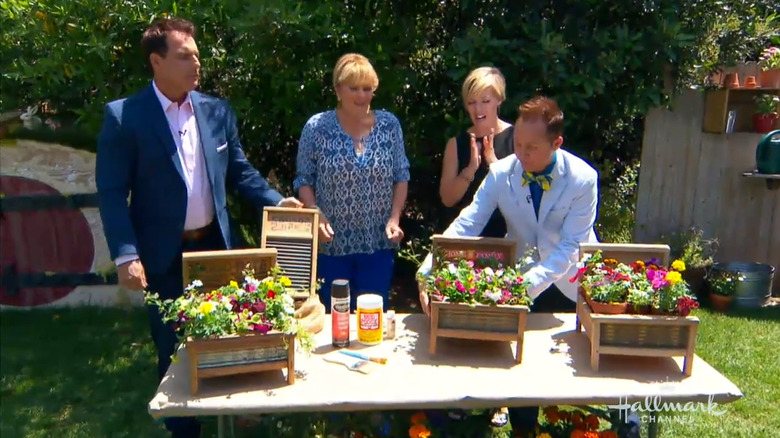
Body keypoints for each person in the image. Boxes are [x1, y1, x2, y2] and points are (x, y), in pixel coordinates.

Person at [95, 17, 302, 438]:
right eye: (185, 55)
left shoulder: (215, 110)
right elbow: (113, 193)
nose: (196, 63)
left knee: (232, 333)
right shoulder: (125, 118)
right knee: (172, 346)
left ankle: (232, 410)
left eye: (197, 55)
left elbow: (240, 172)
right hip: (162, 255)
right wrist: (126, 253)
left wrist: (279, 202)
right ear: (157, 61)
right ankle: (183, 428)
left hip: (215, 247)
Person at [416, 95, 599, 433]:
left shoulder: (583, 179)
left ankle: (595, 424)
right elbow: (466, 224)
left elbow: (572, 246)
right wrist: (429, 268)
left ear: (557, 142)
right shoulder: (501, 173)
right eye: (517, 144)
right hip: (525, 276)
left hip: (571, 279)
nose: (521, 153)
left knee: (579, 364)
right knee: (521, 362)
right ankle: (524, 429)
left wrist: (520, 287)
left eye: (531, 148)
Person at [294, 53, 410, 313]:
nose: (361, 96)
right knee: (334, 320)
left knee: (372, 322)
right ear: (337, 89)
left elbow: (401, 176)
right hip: (332, 247)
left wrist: (394, 218)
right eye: (354, 88)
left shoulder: (389, 126)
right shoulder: (316, 127)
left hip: (377, 245)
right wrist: (316, 212)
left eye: (367, 89)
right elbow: (304, 180)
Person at [439, 66, 514, 237]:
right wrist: (470, 169)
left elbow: (526, 198)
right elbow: (448, 199)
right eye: (472, 102)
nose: (478, 110)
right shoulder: (456, 144)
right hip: (466, 239)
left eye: (485, 101)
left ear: (499, 100)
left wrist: (495, 165)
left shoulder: (518, 139)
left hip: (508, 239)